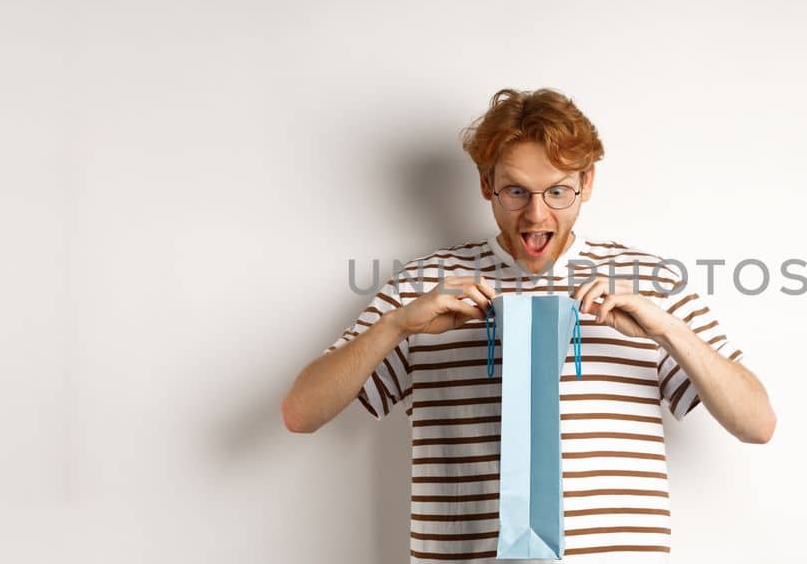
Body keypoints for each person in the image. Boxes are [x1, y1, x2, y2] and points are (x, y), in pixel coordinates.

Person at [281, 87, 777, 563]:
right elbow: (300, 414)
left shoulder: (647, 282)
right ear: (485, 185)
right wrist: (395, 325)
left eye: (558, 191)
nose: (535, 214)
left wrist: (669, 330)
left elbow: (757, 424)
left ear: (587, 183)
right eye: (516, 190)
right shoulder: (425, 285)